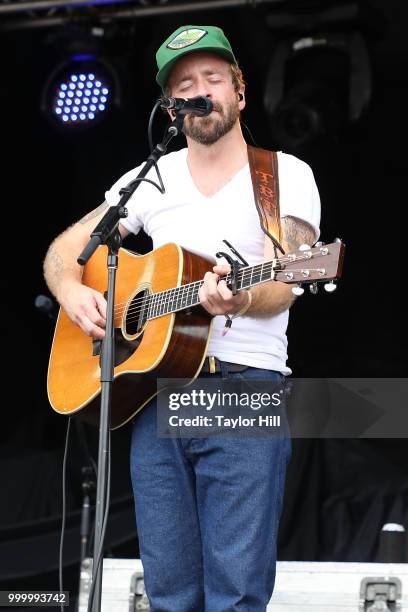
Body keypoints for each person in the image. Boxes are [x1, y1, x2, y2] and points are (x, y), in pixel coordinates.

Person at [44, 24, 320, 612]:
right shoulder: (151, 179)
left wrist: (241, 299)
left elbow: (289, 279)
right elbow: (65, 252)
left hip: (244, 384)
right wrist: (72, 290)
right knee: (168, 592)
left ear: (240, 92)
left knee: (236, 593)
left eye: (212, 79)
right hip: (154, 391)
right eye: (184, 85)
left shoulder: (284, 175)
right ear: (170, 107)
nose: (200, 91)